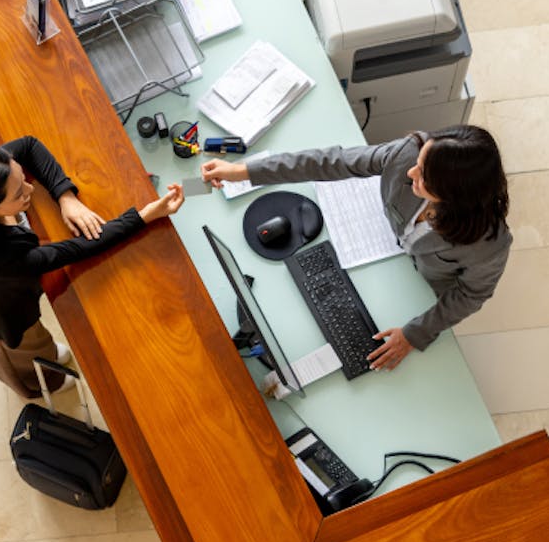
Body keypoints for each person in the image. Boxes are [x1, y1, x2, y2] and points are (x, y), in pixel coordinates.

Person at [201, 125, 510, 371]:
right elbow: (331, 162)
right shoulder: (408, 154)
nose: (411, 173)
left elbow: (472, 295)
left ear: (456, 195)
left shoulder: (487, 243)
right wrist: (245, 171)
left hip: (421, 289)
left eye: (424, 176)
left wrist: (415, 334)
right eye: (419, 163)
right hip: (384, 257)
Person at [0, 135, 184, 398]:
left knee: (45, 346)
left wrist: (66, 197)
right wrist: (145, 215)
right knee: (33, 356)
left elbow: (29, 146)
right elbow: (75, 249)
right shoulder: (3, 260)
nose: (29, 189)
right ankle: (50, 383)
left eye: (22, 178)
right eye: (19, 193)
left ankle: (50, 357)